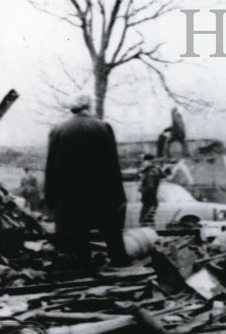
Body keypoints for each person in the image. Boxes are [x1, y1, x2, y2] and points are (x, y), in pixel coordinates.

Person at [45, 94, 128, 267]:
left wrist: (50, 196)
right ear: (89, 107)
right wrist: (119, 194)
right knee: (111, 231)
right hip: (100, 192)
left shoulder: (58, 130)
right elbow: (113, 164)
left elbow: (51, 167)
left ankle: (82, 265)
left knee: (77, 233)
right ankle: (119, 261)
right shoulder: (103, 127)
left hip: (70, 194)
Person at [138, 154, 163, 226]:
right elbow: (163, 175)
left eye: (144, 161)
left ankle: (148, 235)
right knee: (148, 220)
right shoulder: (154, 170)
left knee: (144, 221)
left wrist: (141, 189)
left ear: (148, 162)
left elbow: (150, 187)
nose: (143, 163)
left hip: (148, 201)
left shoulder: (150, 173)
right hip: (152, 201)